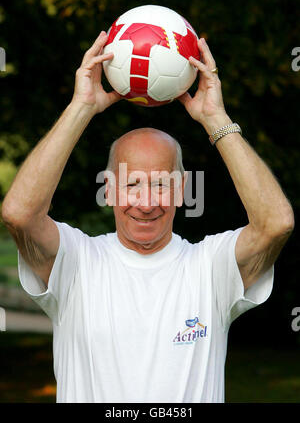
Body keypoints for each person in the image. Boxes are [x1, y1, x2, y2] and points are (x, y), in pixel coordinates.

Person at [1, 31, 294, 403]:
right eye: (132, 183)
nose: (145, 202)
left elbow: (276, 223)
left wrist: (214, 117)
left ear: (183, 189)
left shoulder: (210, 268)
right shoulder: (75, 262)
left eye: (161, 184)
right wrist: (82, 107)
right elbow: (19, 215)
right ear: (108, 188)